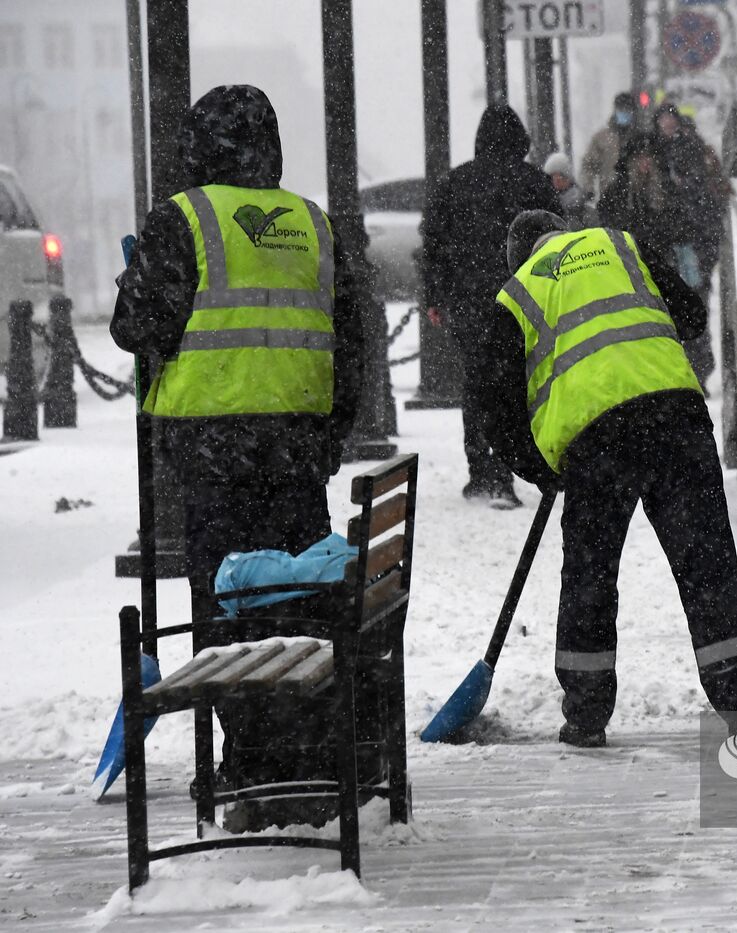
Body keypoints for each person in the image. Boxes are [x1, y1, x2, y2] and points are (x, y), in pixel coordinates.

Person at [110, 84, 365, 819]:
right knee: (294, 607)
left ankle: (253, 764)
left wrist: (139, 283)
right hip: (294, 453)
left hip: (216, 457)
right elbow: (350, 339)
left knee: (227, 612)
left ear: (201, 147)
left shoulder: (183, 220)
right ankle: (302, 755)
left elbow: (135, 327)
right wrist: (328, 431)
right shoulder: (312, 223)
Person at [484, 209, 737, 747]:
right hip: (678, 416)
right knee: (709, 567)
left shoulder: (517, 294)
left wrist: (543, 470)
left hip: (599, 443)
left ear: (519, 257)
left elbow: (495, 415)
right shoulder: (620, 246)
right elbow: (689, 314)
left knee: (590, 579)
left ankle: (586, 714)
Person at [419, 105, 560, 509]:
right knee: (521, 380)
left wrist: (436, 296)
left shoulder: (453, 184)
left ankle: (484, 469)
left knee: (478, 383)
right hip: (524, 299)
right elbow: (557, 242)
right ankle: (521, 461)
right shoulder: (535, 184)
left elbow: (433, 245)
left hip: (471, 303)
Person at [651, 103, 729, 388]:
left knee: (693, 307)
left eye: (670, 119)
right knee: (674, 311)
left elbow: (711, 198)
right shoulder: (653, 153)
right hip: (673, 246)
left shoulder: (695, 150)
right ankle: (683, 371)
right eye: (663, 120)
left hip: (693, 245)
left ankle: (696, 370)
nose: (667, 124)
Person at [580, 92, 639, 202]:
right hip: (609, 198)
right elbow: (588, 164)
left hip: (636, 200)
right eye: (621, 109)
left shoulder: (640, 138)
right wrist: (588, 188)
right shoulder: (602, 138)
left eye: (628, 109)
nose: (624, 113)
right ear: (615, 110)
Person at [543, 151, 596, 228]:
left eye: (561, 175)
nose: (557, 180)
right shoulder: (547, 202)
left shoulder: (580, 204)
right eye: (553, 176)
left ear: (568, 177)